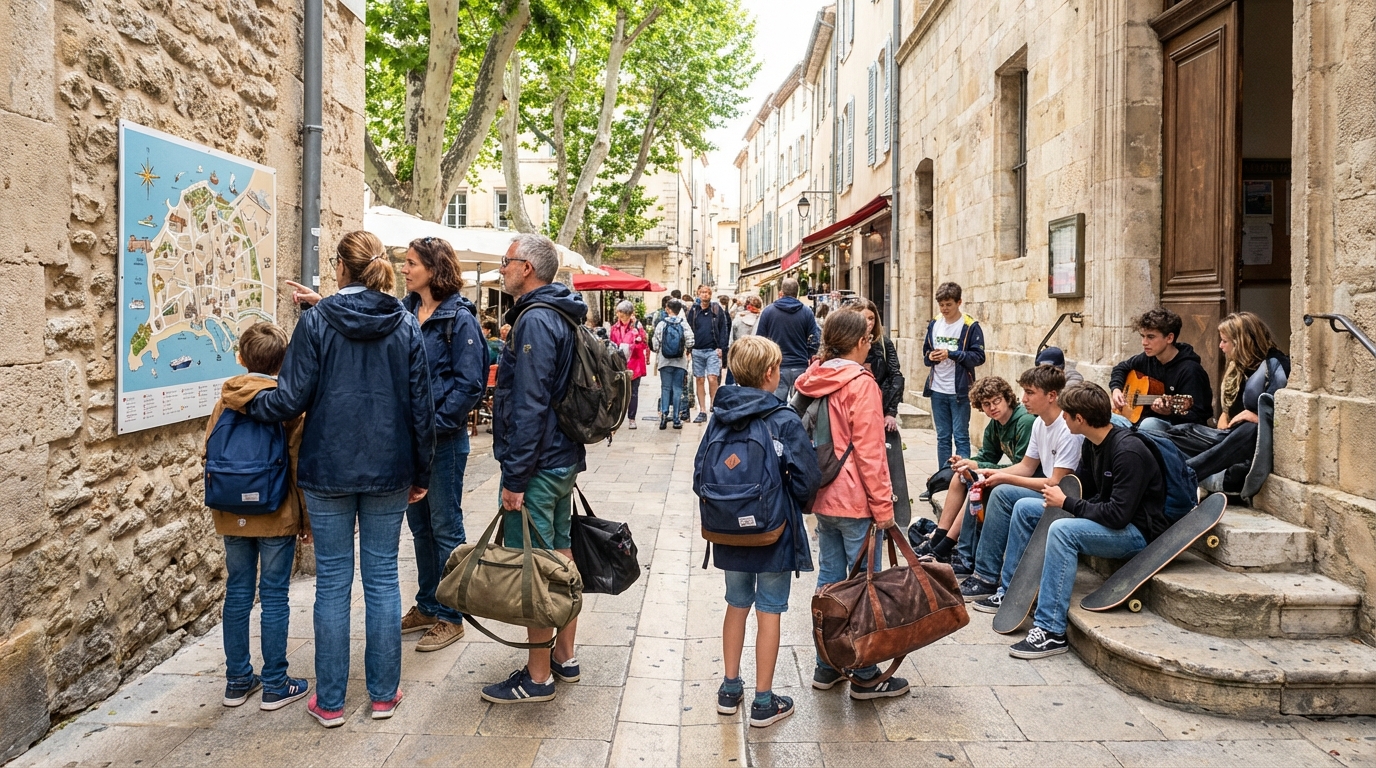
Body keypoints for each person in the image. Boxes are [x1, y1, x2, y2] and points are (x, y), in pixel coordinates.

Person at [248, 231, 434, 727]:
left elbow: (289, 400)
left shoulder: (316, 323)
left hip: (327, 467)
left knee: (332, 583)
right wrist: (422, 470)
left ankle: (330, 701)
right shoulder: (405, 323)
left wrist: (245, 398)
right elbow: (422, 406)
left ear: (339, 268)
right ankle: (382, 695)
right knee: (382, 579)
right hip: (390, 467)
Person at [479, 233, 590, 704]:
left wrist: (515, 479)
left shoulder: (536, 320)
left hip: (540, 463)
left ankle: (538, 675)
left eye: (506, 263)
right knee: (560, 556)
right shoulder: (560, 312)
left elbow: (529, 404)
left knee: (536, 568)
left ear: (527, 268)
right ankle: (564, 655)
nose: (502, 270)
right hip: (560, 457)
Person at [994, 383, 1168, 658]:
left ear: (1080, 419)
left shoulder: (1128, 452)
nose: (1061, 418)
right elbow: (1082, 488)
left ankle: (1051, 631)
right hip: (1107, 519)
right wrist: (1058, 495)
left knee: (1063, 531)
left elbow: (1117, 515)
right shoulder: (1093, 444)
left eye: (1066, 414)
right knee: (1026, 507)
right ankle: (1010, 591)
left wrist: (1066, 504)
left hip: (1135, 532)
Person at [702, 336, 821, 728]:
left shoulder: (720, 416)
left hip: (729, 532)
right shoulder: (783, 419)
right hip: (773, 531)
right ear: (772, 374)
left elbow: (700, 473)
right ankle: (764, 701)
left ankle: (729, 687)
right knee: (770, 609)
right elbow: (806, 479)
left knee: (736, 604)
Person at [793, 308, 910, 700]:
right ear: (861, 342)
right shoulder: (861, 384)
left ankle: (827, 665)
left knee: (829, 582)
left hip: (823, 496)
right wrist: (884, 508)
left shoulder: (814, 377)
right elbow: (870, 453)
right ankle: (864, 672)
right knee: (864, 587)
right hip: (856, 500)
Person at [205, 321, 311, 712]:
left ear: (240, 357)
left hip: (232, 511)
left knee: (237, 592)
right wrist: (304, 520)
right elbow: (297, 461)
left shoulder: (225, 398)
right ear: (283, 361)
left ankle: (236, 681)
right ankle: (275, 683)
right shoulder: (284, 402)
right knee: (274, 595)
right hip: (275, 509)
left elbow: (208, 449)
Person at [398, 237, 487, 653]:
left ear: (433, 269)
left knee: (446, 527)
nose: (404, 268)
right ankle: (428, 603)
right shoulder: (405, 311)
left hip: (443, 442)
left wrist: (434, 425)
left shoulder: (459, 318)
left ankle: (452, 616)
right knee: (419, 528)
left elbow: (470, 384)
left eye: (411, 263)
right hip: (411, 441)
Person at [958, 365, 1083, 600]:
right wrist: (985, 471)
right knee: (988, 486)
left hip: (1064, 498)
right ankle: (973, 563)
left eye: (1030, 392)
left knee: (1003, 493)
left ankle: (987, 577)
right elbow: (1026, 466)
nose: (1023, 399)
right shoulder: (1039, 423)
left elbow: (1058, 481)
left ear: (1052, 396)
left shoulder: (1067, 429)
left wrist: (1003, 476)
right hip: (1048, 489)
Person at [1164, 311, 1290, 488]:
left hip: (1253, 437)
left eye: (1225, 341)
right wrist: (1225, 415)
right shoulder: (1239, 366)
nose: (1220, 346)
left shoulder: (1276, 364)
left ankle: (1186, 474)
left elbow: (1285, 413)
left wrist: (1256, 418)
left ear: (1242, 342)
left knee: (1249, 429)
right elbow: (1229, 412)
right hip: (1228, 436)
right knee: (1177, 432)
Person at [921, 376, 1036, 564]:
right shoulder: (995, 424)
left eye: (996, 400)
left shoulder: (1025, 421)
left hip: (1029, 479)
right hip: (1014, 473)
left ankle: (947, 546)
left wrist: (979, 467)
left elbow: (1024, 466)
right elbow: (986, 456)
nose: (992, 407)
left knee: (977, 486)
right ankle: (939, 537)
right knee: (960, 476)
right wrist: (968, 462)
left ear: (1007, 398)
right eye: (986, 404)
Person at [1109, 307, 1213, 431]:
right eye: (1142, 336)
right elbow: (1120, 368)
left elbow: (1198, 416)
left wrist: (1169, 413)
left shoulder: (1191, 371)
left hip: (1177, 431)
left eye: (1150, 337)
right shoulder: (1147, 358)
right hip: (1141, 420)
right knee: (1101, 418)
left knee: (1149, 425)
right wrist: (1116, 389)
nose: (1144, 342)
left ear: (1169, 338)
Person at [921, 281, 986, 472]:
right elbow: (926, 353)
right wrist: (931, 357)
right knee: (942, 437)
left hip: (959, 390)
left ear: (959, 302)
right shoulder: (935, 323)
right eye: (941, 305)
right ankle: (943, 479)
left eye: (949, 304)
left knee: (961, 436)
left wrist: (951, 354)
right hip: (937, 389)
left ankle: (964, 478)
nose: (944, 309)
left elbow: (978, 357)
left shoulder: (969, 325)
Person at [755, 277, 820, 400]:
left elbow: (760, 341)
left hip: (776, 367)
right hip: (800, 365)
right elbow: (815, 340)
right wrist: (808, 355)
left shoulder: (768, 311)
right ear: (798, 292)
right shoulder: (807, 312)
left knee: (776, 407)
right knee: (799, 408)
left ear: (781, 292)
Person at [858, 299, 905, 434]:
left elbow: (896, 376)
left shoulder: (884, 343)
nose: (869, 322)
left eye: (871, 318)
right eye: (864, 318)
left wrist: (891, 412)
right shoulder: (846, 344)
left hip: (879, 407)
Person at [688, 284, 731, 422]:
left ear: (710, 294)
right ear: (698, 294)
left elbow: (724, 329)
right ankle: (702, 410)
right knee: (699, 379)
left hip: (713, 350)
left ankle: (713, 405)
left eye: (707, 292)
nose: (705, 294)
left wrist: (722, 348)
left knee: (713, 378)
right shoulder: (694, 310)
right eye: (702, 292)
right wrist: (688, 349)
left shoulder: (716, 309)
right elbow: (689, 329)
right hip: (697, 350)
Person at [654, 299, 694, 430]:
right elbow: (690, 341)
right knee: (677, 389)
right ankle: (676, 418)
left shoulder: (661, 324)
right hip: (680, 361)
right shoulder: (684, 324)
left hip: (664, 361)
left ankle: (664, 416)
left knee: (665, 388)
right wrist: (685, 350)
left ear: (667, 309)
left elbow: (655, 343)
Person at [609, 300, 650, 430]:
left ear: (628, 314)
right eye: (618, 314)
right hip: (619, 364)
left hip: (635, 364)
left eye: (622, 315)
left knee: (633, 392)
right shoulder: (614, 327)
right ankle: (615, 418)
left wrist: (632, 345)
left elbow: (644, 345)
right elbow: (611, 343)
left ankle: (632, 418)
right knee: (618, 392)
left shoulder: (637, 328)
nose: (619, 317)